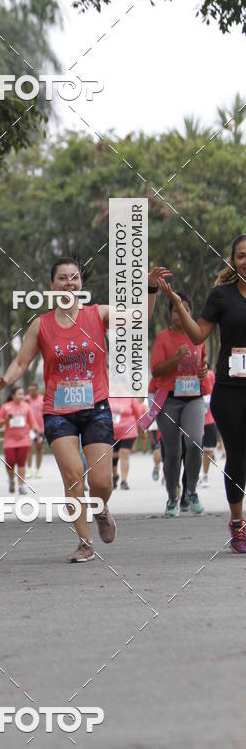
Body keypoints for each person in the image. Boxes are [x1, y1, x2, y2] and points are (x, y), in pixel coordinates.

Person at [0, 257, 169, 562]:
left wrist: (150, 287)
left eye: (74, 278)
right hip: (58, 413)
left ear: (81, 284)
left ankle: (100, 511)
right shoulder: (41, 325)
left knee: (101, 482)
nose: (69, 283)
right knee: (74, 476)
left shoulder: (97, 314)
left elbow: (139, 317)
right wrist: (5, 379)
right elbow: (22, 362)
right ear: (51, 285)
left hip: (96, 408)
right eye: (62, 278)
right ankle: (85, 541)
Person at [159, 235, 246, 552]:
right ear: (233, 261)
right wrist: (179, 306)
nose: (245, 260)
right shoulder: (221, 296)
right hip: (230, 390)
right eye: (240, 256)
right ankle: (238, 525)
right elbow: (197, 336)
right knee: (237, 456)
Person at [150, 290, 207, 517]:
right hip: (169, 399)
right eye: (175, 309)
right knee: (172, 452)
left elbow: (202, 365)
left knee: (195, 443)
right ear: (170, 313)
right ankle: (173, 496)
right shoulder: (163, 338)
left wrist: (204, 370)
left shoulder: (198, 336)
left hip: (194, 398)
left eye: (184, 309)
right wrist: (175, 358)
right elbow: (156, 371)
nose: (180, 313)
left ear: (190, 312)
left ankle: (191, 491)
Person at [0, 386, 38, 495]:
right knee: (10, 463)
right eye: (19, 394)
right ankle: (11, 481)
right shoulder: (6, 407)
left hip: (24, 439)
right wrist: (6, 419)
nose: (21, 396)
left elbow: (33, 423)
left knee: (21, 464)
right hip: (9, 440)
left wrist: (37, 435)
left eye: (22, 394)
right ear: (13, 395)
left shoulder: (26, 407)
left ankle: (21, 486)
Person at [109, 397, 145, 490]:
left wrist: (142, 430)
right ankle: (115, 475)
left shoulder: (130, 398)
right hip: (111, 431)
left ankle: (124, 481)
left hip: (128, 430)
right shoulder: (108, 397)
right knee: (114, 455)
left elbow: (138, 415)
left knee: (124, 453)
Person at [199, 362, 217, 488]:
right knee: (197, 450)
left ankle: (203, 475)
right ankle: (199, 476)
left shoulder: (210, 374)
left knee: (208, 449)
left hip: (208, 417)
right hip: (196, 417)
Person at [25, 382, 45, 478]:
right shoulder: (26, 400)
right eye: (30, 390)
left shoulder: (42, 400)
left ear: (37, 390)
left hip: (40, 429)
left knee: (39, 448)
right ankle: (28, 470)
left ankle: (38, 470)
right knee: (29, 448)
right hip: (29, 429)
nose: (31, 392)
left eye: (33, 390)